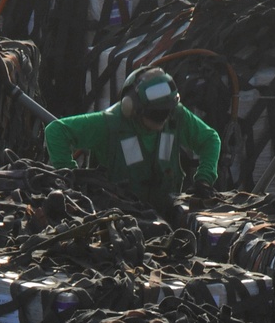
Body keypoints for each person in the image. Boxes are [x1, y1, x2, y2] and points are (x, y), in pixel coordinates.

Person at [43, 65, 222, 213]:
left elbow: (210, 139)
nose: (163, 119)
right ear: (132, 108)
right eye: (156, 114)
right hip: (117, 219)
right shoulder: (110, 124)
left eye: (166, 112)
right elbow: (56, 131)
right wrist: (71, 180)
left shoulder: (176, 115)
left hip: (166, 216)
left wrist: (204, 179)